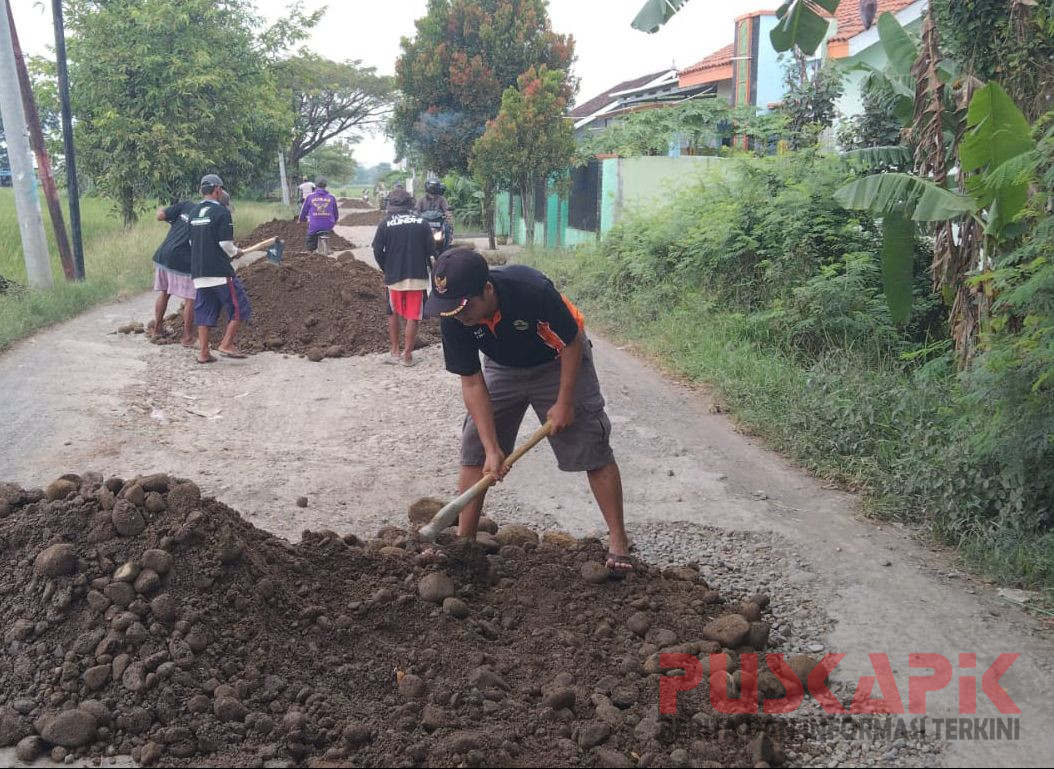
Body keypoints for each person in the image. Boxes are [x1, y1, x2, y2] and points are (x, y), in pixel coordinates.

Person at [424, 248, 633, 573]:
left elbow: (571, 341)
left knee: (591, 446)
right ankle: (464, 543)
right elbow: (473, 384)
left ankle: (619, 541)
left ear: (488, 290)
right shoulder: (455, 318)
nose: (458, 315)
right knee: (475, 449)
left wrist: (564, 402)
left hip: (556, 360)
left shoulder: (530, 290)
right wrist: (493, 449)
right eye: (450, 309)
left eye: (465, 307)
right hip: (503, 367)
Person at [189, 174, 250, 364]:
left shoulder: (193, 212)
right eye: (221, 189)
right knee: (239, 307)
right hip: (220, 272)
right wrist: (236, 252)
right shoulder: (222, 213)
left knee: (205, 311)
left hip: (199, 272)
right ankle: (227, 344)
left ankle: (204, 353)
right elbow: (225, 244)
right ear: (217, 190)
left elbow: (192, 242)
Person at [371, 188, 435, 366]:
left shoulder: (385, 223)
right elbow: (431, 251)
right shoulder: (422, 223)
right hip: (417, 277)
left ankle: (395, 352)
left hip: (394, 277)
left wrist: (386, 267)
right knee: (413, 316)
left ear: (391, 205)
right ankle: (408, 356)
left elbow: (377, 250)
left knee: (392, 313)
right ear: (410, 204)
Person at [151, 199, 198, 346]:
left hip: (164, 253)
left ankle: (157, 329)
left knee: (164, 293)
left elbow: (160, 216)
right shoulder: (211, 215)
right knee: (191, 297)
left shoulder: (185, 205)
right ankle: (187, 337)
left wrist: (160, 209)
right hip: (183, 258)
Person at [298, 177, 339, 252]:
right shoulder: (332, 197)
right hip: (329, 224)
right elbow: (336, 213)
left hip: (314, 225)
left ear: (316, 185)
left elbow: (303, 211)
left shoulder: (310, 197)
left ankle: (310, 251)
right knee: (327, 230)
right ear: (325, 185)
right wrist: (335, 221)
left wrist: (302, 219)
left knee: (310, 239)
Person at [417, 179, 453, 252]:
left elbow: (446, 209)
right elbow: (416, 210)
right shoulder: (421, 199)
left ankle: (446, 248)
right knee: (415, 231)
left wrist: (447, 213)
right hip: (425, 222)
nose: (432, 190)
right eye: (431, 187)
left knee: (447, 227)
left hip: (438, 222)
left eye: (434, 187)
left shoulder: (442, 199)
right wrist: (415, 214)